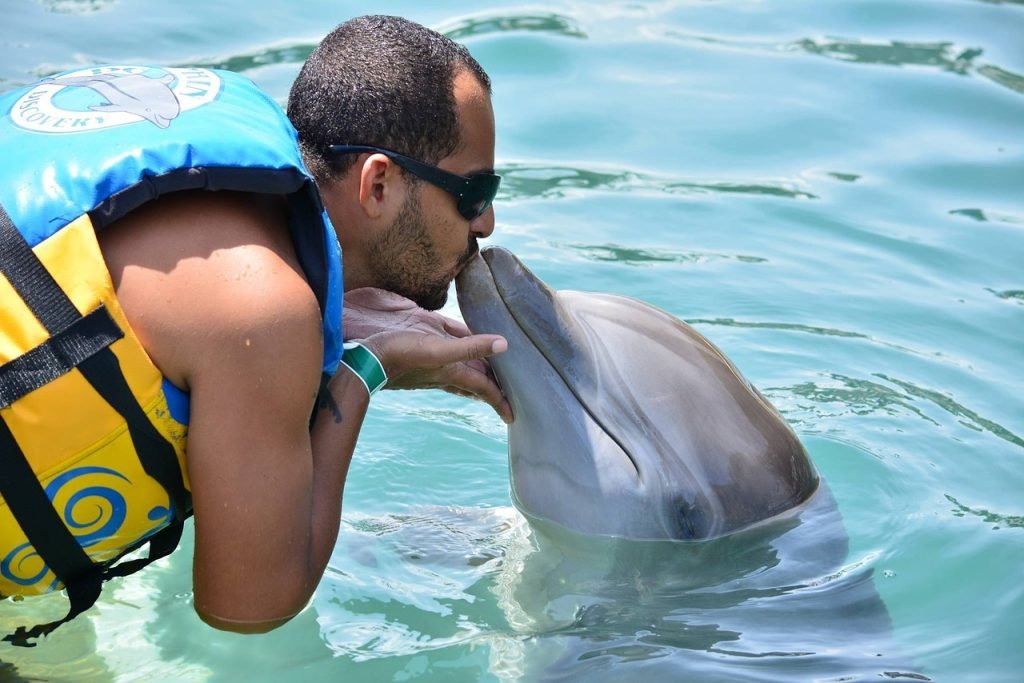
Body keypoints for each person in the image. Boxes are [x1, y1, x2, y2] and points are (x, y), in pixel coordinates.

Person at [0, 15, 512, 644]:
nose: (485, 224)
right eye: (474, 190)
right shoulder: (261, 312)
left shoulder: (206, 159)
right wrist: (365, 371)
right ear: (377, 183)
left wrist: (331, 333)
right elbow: (248, 608)